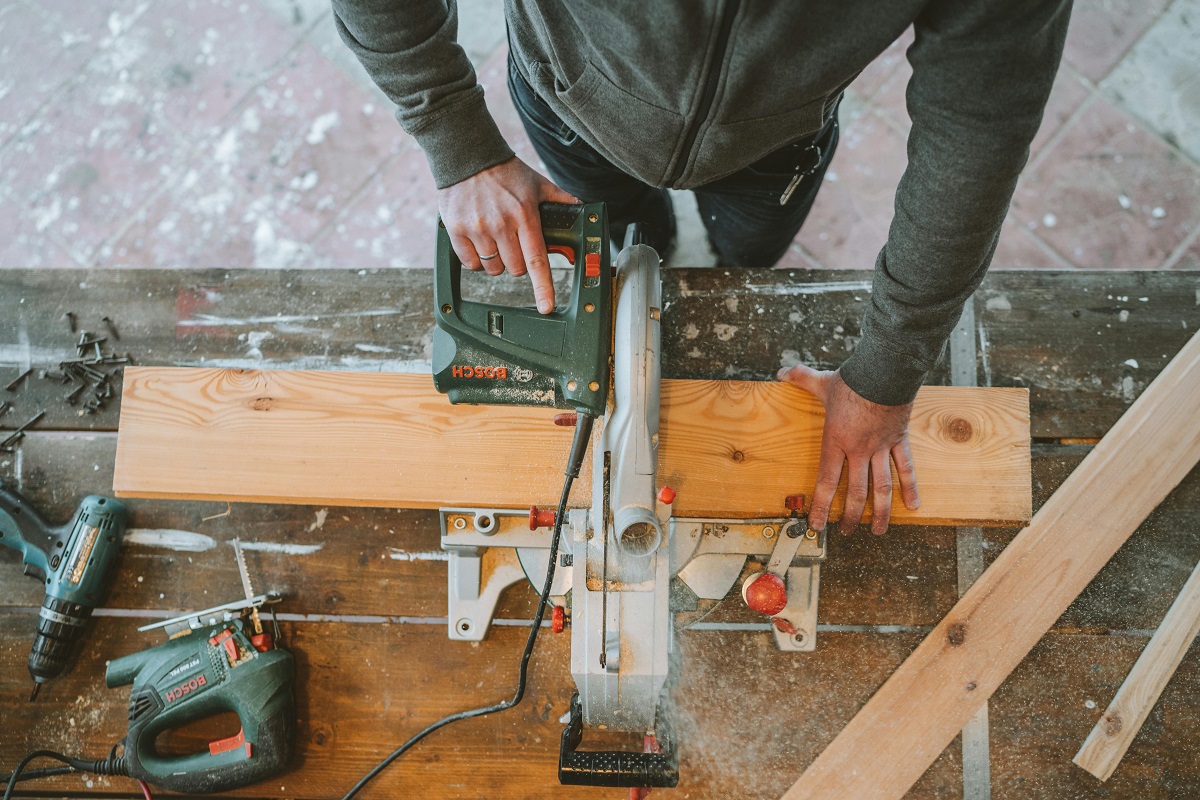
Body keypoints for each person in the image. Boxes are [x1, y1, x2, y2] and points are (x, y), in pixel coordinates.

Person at [332, 0, 1071, 536]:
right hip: (573, 105)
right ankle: (648, 236)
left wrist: (888, 370)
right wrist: (456, 140)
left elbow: (978, 125)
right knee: (624, 232)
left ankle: (711, 253)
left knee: (746, 261)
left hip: (773, 151)